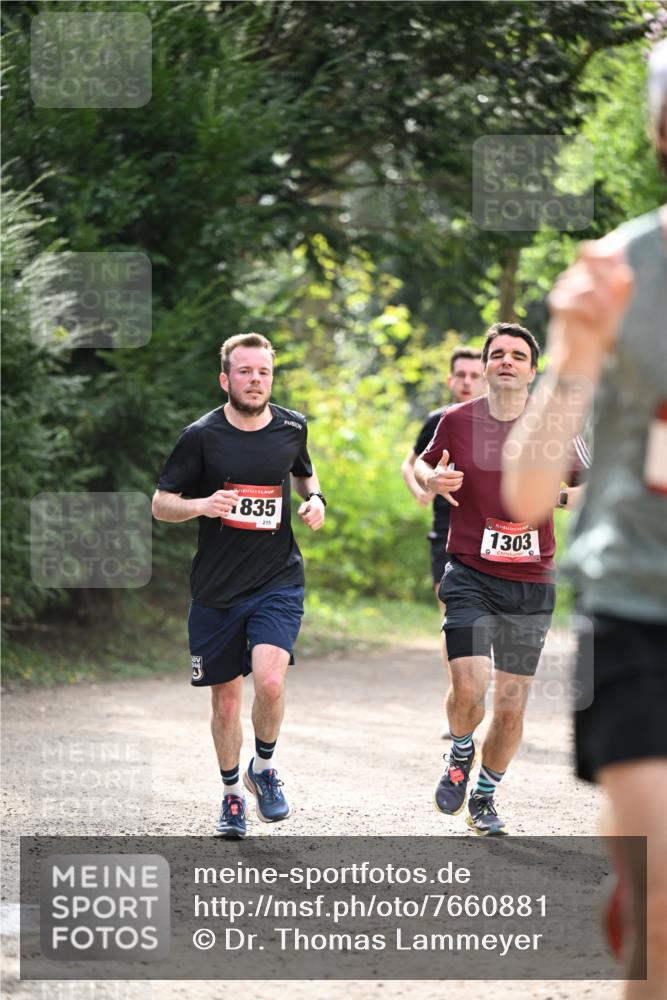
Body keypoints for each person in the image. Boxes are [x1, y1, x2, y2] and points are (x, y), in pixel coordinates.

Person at [502, 39, 667, 999]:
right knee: (658, 913)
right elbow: (526, 493)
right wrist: (576, 348)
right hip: (638, 611)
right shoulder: (615, 273)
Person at [152, 333, 325, 839]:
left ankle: (264, 768)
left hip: (277, 579)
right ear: (226, 379)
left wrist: (317, 501)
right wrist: (201, 505)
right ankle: (231, 795)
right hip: (216, 590)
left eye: (264, 372)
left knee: (270, 680)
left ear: (272, 377)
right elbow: (161, 503)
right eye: (245, 372)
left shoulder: (293, 427)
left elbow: (303, 476)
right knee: (226, 701)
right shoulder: (200, 436)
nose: (255, 381)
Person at [414, 322, 584, 835]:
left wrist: (551, 496)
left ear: (533, 370)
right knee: (470, 686)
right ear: (486, 366)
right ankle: (460, 750)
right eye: (498, 354)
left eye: (517, 355)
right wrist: (433, 479)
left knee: (510, 709)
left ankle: (484, 797)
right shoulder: (454, 421)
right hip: (469, 570)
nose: (506, 361)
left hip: (531, 582)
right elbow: (422, 469)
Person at [401, 348, 484, 738]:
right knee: (454, 615)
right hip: (447, 535)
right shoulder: (440, 419)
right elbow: (412, 461)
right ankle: (460, 696)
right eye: (461, 375)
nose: (467, 381)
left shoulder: (501, 422)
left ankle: (476, 689)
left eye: (474, 374)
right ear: (451, 380)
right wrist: (422, 486)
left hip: (491, 534)